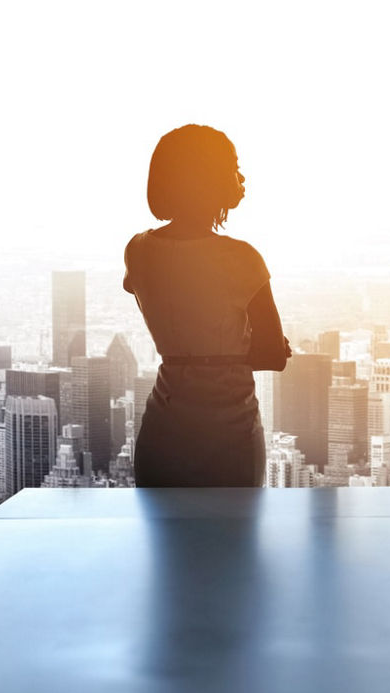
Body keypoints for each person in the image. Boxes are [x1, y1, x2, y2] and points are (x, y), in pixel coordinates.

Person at [123, 124, 290, 487]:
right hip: (230, 430)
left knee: (165, 540)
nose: (241, 177)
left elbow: (148, 298)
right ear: (208, 177)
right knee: (234, 539)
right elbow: (274, 355)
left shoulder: (137, 249)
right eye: (233, 166)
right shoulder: (242, 259)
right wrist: (239, 346)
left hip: (163, 426)